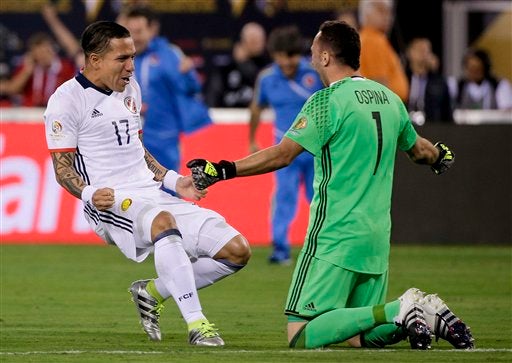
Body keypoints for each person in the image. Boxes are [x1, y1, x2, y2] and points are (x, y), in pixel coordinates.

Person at [186, 20, 473, 350]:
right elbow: (422, 151)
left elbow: (282, 155)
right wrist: (441, 156)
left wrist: (222, 170)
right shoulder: (389, 99)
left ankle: (401, 307)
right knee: (359, 335)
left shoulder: (327, 101)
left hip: (335, 235)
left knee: (301, 333)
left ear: (325, 58)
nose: (310, 59)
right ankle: (425, 314)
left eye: (313, 53)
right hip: (376, 237)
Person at [43, 20, 251, 347]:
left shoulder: (130, 89)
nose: (131, 66)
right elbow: (62, 166)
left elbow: (136, 148)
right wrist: (88, 193)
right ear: (95, 60)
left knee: (236, 251)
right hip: (108, 202)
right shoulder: (66, 100)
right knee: (164, 224)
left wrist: (173, 180)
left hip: (151, 193)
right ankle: (197, 324)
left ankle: (152, 292)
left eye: (133, 57)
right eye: (122, 59)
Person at [249, 25, 323, 264]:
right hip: (285, 151)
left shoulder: (316, 73)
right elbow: (256, 108)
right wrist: (252, 139)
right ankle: (280, 250)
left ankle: (323, 250)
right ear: (274, 55)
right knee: (284, 198)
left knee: (319, 199)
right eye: (282, 56)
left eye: (291, 56)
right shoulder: (267, 78)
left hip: (316, 149)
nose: (287, 62)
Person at [121, 6, 211, 172]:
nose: (134, 37)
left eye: (139, 31)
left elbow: (192, 88)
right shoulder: (118, 57)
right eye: (130, 32)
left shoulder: (170, 54)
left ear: (152, 30)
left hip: (163, 138)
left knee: (167, 190)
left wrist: (188, 75)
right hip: (127, 139)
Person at [0, 32, 75, 107]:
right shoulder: (28, 67)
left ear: (52, 50)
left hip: (56, 111)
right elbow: (13, 89)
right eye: (39, 53)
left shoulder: (65, 67)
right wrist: (27, 71)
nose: (43, 56)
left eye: (45, 52)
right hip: (31, 112)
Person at [206, 22, 269, 108]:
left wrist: (243, 63)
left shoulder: (269, 67)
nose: (258, 44)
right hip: (228, 117)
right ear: (243, 41)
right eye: (253, 41)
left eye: (260, 40)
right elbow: (212, 98)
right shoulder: (225, 69)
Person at [358, 0, 408, 101]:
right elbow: (379, 84)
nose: (388, 17)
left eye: (389, 12)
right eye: (381, 11)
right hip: (385, 107)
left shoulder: (365, 37)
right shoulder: (373, 40)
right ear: (367, 14)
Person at [405, 37, 453, 124]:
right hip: (405, 128)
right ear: (409, 52)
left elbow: (447, 114)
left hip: (432, 128)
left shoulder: (439, 82)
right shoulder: (402, 78)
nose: (423, 53)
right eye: (419, 49)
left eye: (427, 50)